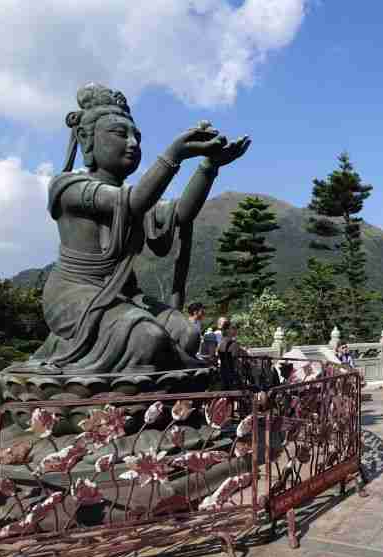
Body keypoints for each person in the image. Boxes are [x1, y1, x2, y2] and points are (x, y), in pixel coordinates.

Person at [16, 82, 250, 375]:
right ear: (87, 140)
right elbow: (133, 202)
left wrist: (209, 167)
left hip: (125, 295)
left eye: (137, 137)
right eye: (120, 133)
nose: (133, 143)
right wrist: (173, 155)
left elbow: (180, 213)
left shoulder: (135, 195)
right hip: (74, 294)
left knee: (186, 334)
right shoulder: (68, 187)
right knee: (147, 338)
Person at [216, 319, 243, 389]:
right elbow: (235, 360)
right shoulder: (234, 344)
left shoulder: (220, 342)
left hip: (222, 373)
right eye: (233, 328)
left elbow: (217, 355)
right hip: (232, 373)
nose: (236, 330)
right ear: (227, 330)